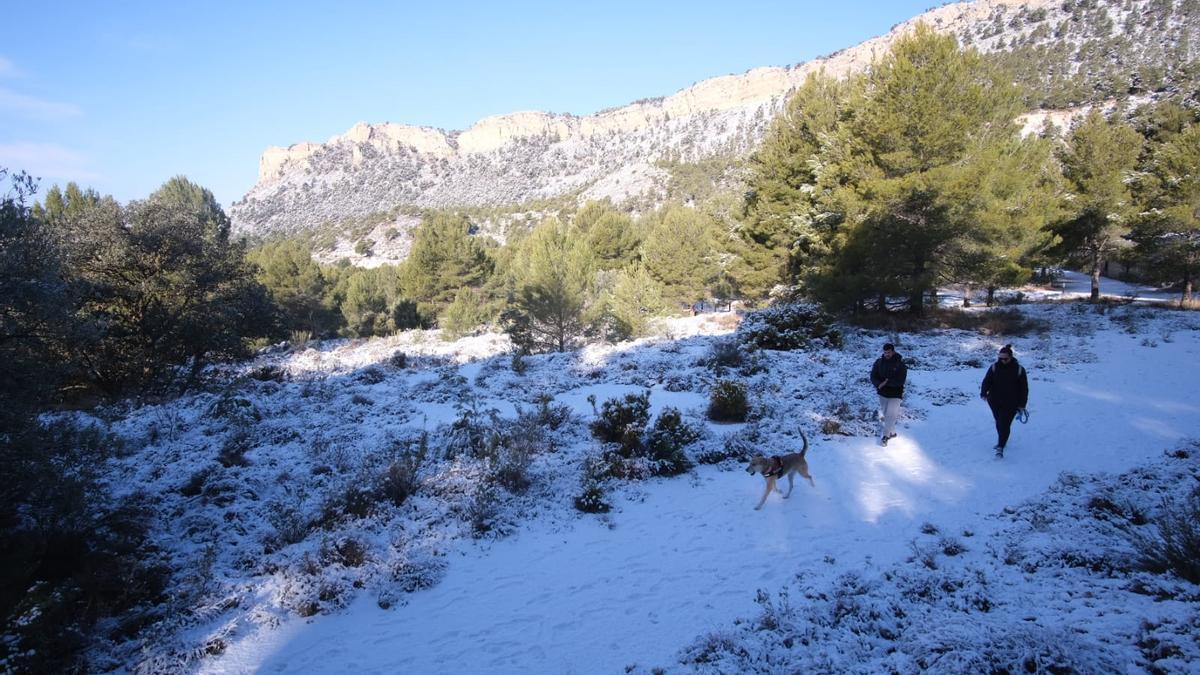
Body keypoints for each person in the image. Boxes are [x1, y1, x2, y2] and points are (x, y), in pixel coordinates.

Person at [980, 344, 1029, 458]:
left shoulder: (1019, 370)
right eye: (1000, 358)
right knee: (998, 422)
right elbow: (987, 381)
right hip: (994, 400)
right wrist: (983, 393)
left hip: (1012, 402)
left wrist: (1022, 404)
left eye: (1005, 358)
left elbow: (1024, 389)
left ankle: (1000, 446)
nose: (1002, 361)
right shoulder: (994, 367)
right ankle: (1002, 440)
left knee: (1004, 423)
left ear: (1011, 357)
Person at [869, 343, 907, 446]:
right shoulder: (879, 362)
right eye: (885, 352)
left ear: (893, 351)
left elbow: (901, 380)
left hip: (896, 393)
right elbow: (873, 376)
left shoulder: (901, 364)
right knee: (887, 415)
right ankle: (893, 432)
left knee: (891, 414)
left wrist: (887, 382)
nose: (887, 354)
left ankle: (885, 436)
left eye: (889, 352)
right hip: (882, 392)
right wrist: (879, 384)